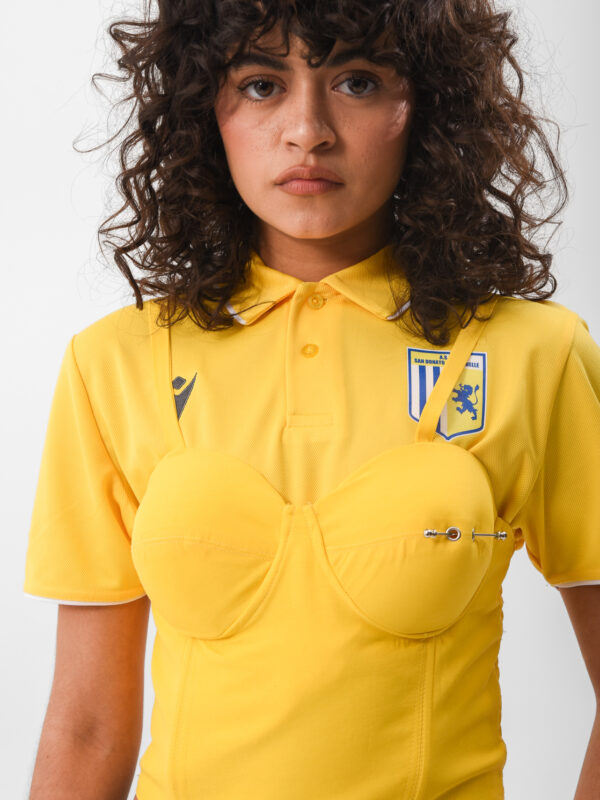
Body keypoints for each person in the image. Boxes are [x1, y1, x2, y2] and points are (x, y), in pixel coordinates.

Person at [23, 0, 600, 798]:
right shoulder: (114, 363)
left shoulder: (534, 353)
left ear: (428, 104)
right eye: (262, 85)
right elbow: (86, 727)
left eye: (357, 81)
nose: (308, 131)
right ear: (203, 109)